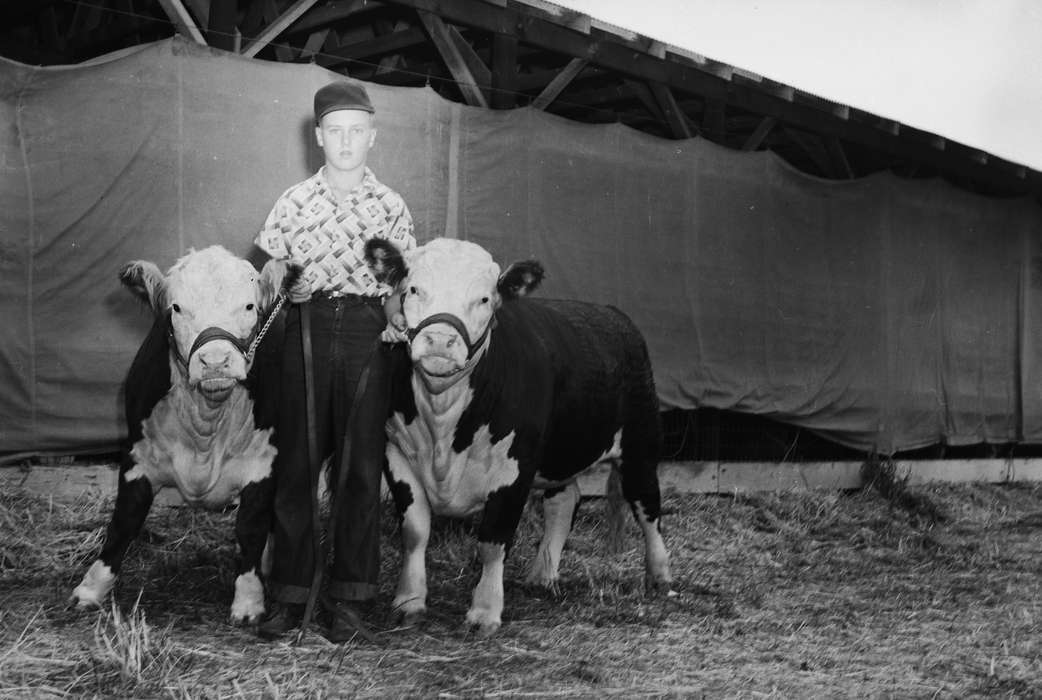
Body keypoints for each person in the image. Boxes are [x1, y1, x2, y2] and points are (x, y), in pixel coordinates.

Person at [253, 80, 415, 642]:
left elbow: (398, 289)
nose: (346, 143)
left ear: (372, 136)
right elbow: (270, 277)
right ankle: (291, 598)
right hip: (308, 331)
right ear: (319, 136)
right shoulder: (293, 202)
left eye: (356, 132)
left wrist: (397, 317)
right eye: (335, 132)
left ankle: (349, 604)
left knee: (359, 470)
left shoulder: (391, 206)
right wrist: (287, 290)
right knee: (296, 466)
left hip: (367, 335)